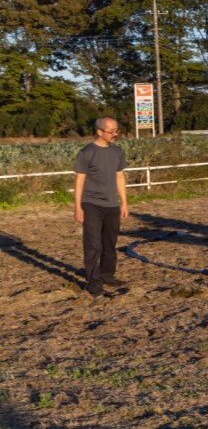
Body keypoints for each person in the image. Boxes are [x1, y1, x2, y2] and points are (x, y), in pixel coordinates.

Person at [74, 116, 129, 296]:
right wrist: (78, 207)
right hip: (91, 204)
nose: (115, 134)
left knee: (109, 243)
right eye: (111, 131)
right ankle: (93, 283)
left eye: (116, 130)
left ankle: (107, 275)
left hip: (112, 205)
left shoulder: (116, 152)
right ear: (99, 132)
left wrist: (124, 203)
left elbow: (119, 177)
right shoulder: (87, 153)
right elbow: (79, 181)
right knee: (93, 245)